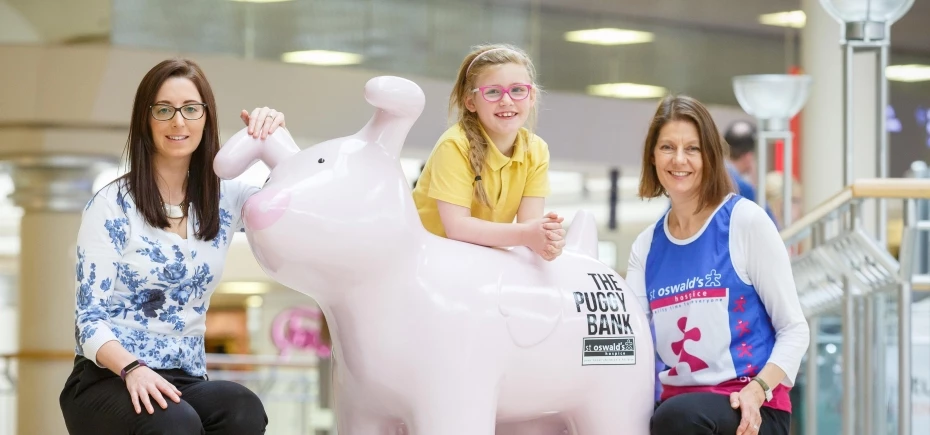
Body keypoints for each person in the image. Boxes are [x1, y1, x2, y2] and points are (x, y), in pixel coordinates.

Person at [59, 58, 285, 435]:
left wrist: (273, 140)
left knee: (242, 408)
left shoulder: (227, 198)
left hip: (185, 380)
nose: (178, 122)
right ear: (145, 121)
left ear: (206, 118)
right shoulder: (111, 206)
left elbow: (292, 210)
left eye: (190, 109)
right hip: (109, 376)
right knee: (174, 424)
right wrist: (133, 369)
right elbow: (89, 321)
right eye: (164, 110)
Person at [626, 95, 810, 435]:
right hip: (677, 407)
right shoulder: (646, 246)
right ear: (652, 157)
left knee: (678, 417)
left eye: (692, 149)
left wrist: (758, 390)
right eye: (667, 147)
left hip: (749, 405)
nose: (678, 159)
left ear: (710, 157)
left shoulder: (745, 222)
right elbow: (635, 341)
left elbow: (795, 330)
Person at [411, 43, 565, 260]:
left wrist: (546, 240)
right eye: (493, 92)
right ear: (470, 102)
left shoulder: (536, 150)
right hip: (425, 262)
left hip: (476, 264)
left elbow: (529, 224)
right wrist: (528, 234)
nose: (506, 100)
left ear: (531, 97)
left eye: (518, 90)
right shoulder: (455, 145)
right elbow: (457, 228)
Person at [723, 120, 777, 225]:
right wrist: (755, 185)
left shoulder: (715, 175)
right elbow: (769, 222)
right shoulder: (743, 187)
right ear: (748, 156)